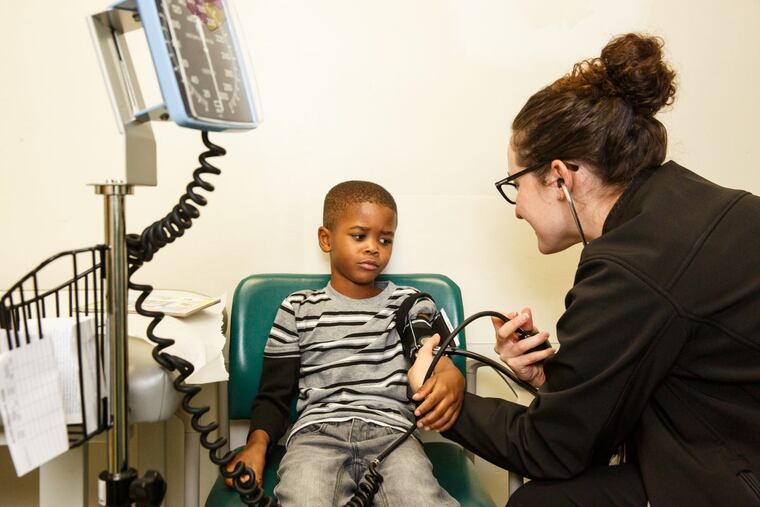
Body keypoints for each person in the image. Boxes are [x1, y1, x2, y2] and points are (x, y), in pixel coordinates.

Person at [410, 33, 760, 506]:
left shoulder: (630, 269)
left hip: (736, 475)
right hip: (733, 439)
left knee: (539, 502)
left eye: (516, 185)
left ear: (559, 176)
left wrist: (447, 406)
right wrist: (548, 381)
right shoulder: (683, 207)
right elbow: (670, 369)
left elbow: (551, 449)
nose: (516, 209)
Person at [226, 180, 463, 506]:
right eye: (359, 236)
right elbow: (273, 395)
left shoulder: (412, 304)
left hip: (394, 436)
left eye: (385, 239)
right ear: (326, 239)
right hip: (316, 437)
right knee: (303, 498)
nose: (373, 247)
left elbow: (439, 364)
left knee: (421, 498)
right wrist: (256, 447)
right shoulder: (297, 308)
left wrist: (450, 376)